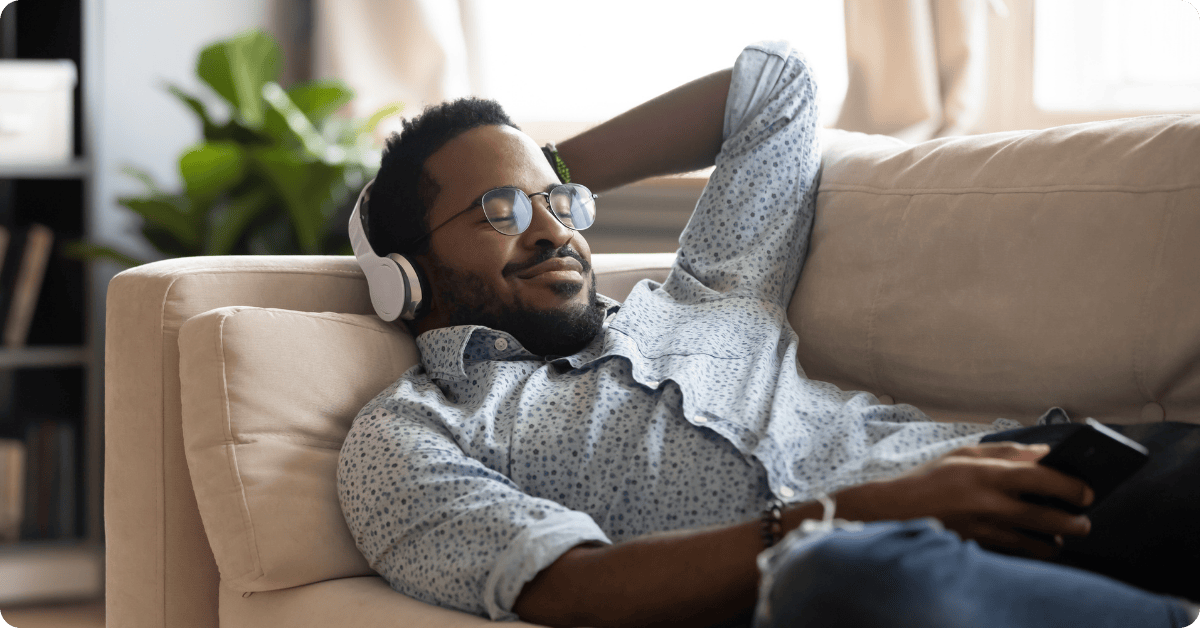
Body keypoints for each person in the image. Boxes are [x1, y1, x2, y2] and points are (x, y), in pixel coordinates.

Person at [337, 41, 1196, 627]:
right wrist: (851, 515)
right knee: (845, 579)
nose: (556, 232)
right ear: (403, 274)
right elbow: (575, 589)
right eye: (500, 211)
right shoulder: (411, 433)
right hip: (844, 571)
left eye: (561, 209)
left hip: (1014, 472)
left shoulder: (709, 290)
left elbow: (773, 83)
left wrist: (542, 168)